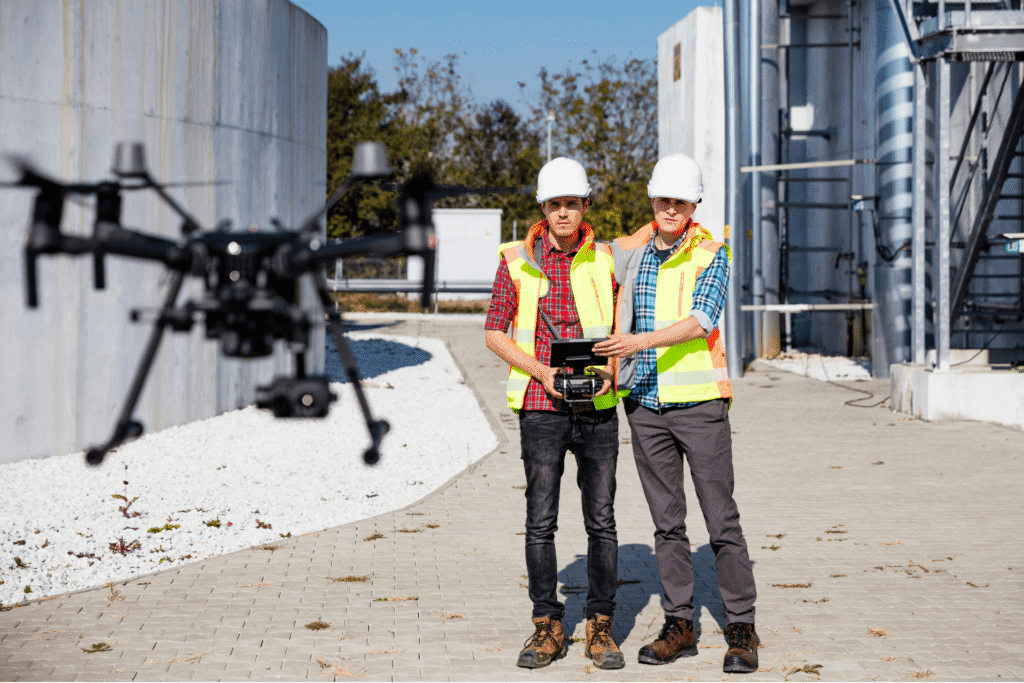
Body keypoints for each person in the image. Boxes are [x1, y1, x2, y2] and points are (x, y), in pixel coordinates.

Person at [592, 153, 759, 674]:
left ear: (694, 205)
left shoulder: (713, 253)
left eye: (680, 201)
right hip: (643, 403)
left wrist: (637, 341)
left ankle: (741, 628)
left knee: (721, 521)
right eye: (662, 199)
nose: (670, 209)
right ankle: (679, 623)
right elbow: (586, 257)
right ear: (652, 200)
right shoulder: (634, 251)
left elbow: (701, 319)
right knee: (667, 525)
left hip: (700, 405)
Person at [484, 157, 625, 671]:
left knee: (602, 521)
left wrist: (610, 369)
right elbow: (495, 331)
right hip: (541, 406)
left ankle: (599, 626)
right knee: (540, 522)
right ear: (542, 208)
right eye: (554, 204)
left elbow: (622, 326)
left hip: (599, 407)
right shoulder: (515, 259)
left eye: (572, 203)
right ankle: (546, 624)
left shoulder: (608, 259)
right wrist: (541, 371)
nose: (563, 213)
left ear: (585, 206)